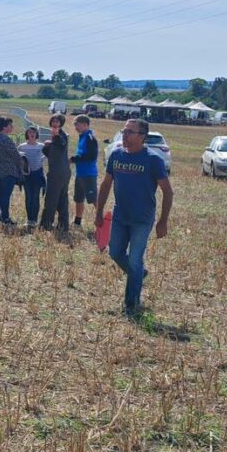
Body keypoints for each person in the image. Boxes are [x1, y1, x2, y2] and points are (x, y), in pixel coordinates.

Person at [95, 119, 173, 317]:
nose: (125, 135)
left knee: (136, 260)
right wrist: (99, 212)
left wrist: (163, 221)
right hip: (120, 215)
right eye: (124, 131)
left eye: (130, 132)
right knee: (115, 253)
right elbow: (105, 185)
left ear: (142, 136)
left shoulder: (153, 160)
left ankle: (131, 304)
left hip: (142, 219)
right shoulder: (116, 155)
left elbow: (167, 191)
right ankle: (138, 275)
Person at [41, 114, 71, 232]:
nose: (54, 123)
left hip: (57, 173)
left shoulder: (61, 136)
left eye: (57, 121)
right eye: (53, 121)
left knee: (51, 199)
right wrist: (46, 147)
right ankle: (63, 225)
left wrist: (56, 136)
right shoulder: (55, 137)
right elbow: (51, 155)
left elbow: (62, 143)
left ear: (61, 123)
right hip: (62, 171)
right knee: (62, 199)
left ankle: (46, 224)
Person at [0, 117, 23, 225]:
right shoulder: (6, 139)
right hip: (8, 172)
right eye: (10, 125)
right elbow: (15, 155)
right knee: (5, 196)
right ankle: (5, 218)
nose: (12, 127)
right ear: (4, 127)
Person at [71, 115, 99, 227]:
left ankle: (103, 220)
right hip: (80, 173)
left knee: (93, 199)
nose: (75, 127)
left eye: (77, 124)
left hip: (88, 174)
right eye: (74, 124)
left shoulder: (90, 137)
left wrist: (74, 159)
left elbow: (91, 156)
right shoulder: (82, 136)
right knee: (78, 198)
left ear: (85, 125)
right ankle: (77, 222)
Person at [18, 127, 46, 228]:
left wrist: (42, 160)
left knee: (35, 197)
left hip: (38, 173)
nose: (32, 134)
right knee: (28, 197)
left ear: (36, 134)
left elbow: (47, 155)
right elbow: (18, 159)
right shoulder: (21, 146)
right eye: (30, 132)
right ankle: (29, 219)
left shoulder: (41, 146)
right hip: (26, 175)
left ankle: (34, 220)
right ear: (27, 134)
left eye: (34, 132)